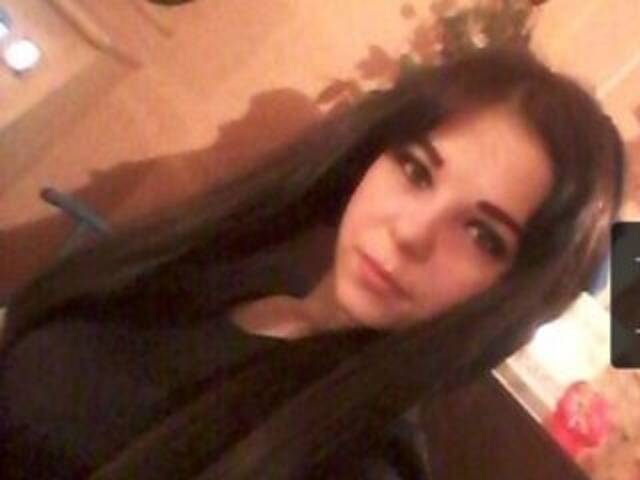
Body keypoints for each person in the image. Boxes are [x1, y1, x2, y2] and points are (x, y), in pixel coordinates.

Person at [0, 47, 625, 479]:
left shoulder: (357, 463)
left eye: (483, 236)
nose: (411, 233)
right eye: (416, 170)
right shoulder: (234, 266)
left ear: (511, 294)